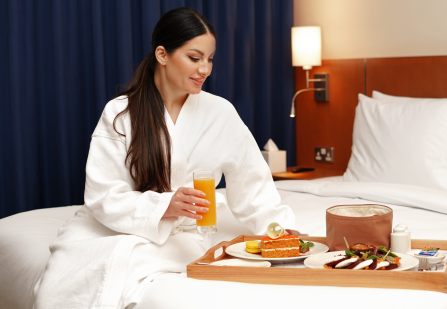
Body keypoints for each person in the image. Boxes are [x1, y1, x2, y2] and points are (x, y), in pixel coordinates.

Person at [34, 8, 299, 309]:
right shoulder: (120, 113)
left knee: (129, 258)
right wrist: (164, 206)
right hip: (113, 225)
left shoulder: (221, 113)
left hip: (183, 236)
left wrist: (280, 230)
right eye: (194, 58)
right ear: (162, 54)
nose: (205, 69)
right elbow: (102, 194)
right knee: (69, 267)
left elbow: (253, 187)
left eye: (210, 59)